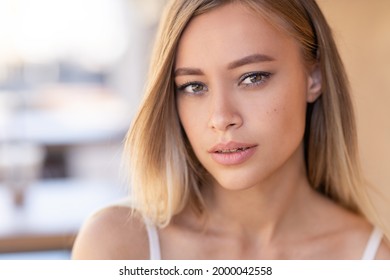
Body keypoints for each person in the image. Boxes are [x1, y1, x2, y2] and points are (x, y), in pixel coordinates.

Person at [72, 0, 390, 259]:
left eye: (252, 78)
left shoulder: (365, 257)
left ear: (314, 78)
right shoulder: (117, 247)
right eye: (194, 86)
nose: (221, 117)